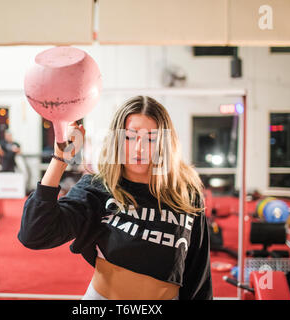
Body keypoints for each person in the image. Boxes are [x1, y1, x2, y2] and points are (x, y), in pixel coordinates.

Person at [18, 96, 212, 300]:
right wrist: (60, 160)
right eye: (130, 137)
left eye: (151, 138)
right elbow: (34, 234)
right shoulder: (98, 188)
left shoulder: (185, 193)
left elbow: (198, 271)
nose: (139, 148)